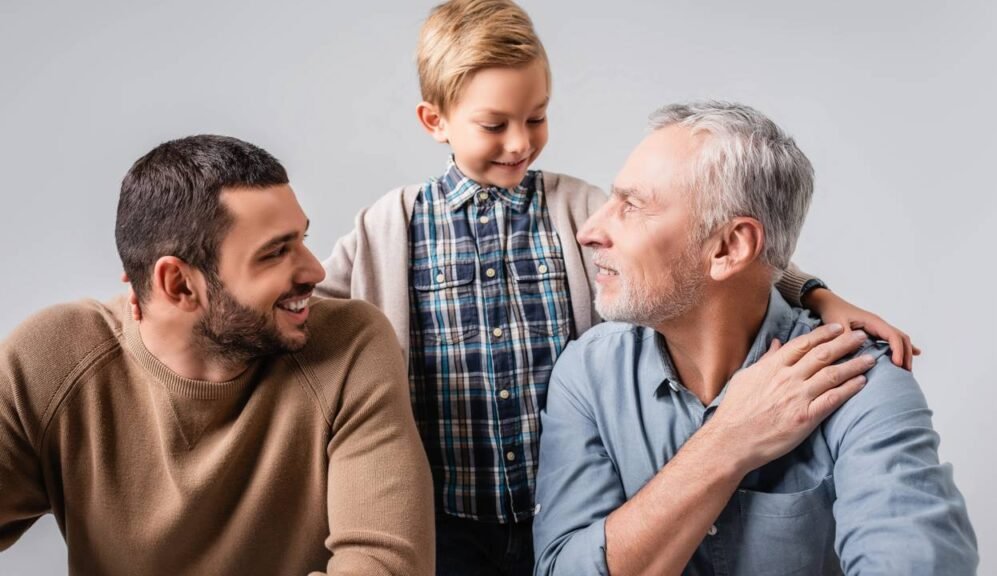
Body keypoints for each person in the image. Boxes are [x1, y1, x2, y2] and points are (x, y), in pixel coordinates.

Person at [316, 2, 917, 574]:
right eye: (495, 125)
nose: (521, 142)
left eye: (537, 117)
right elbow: (309, 303)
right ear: (434, 121)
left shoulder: (581, 209)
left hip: (566, 503)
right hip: (447, 515)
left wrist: (815, 293)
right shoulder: (389, 227)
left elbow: (706, 250)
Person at [533, 101, 977, 575]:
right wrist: (728, 440)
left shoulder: (862, 384)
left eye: (632, 205)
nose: (588, 232)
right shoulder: (589, 375)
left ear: (728, 247)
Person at [0, 135, 434, 576]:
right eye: (276, 252)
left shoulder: (349, 345)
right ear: (178, 284)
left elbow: (385, 565)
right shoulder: (54, 359)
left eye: (303, 239)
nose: (315, 271)